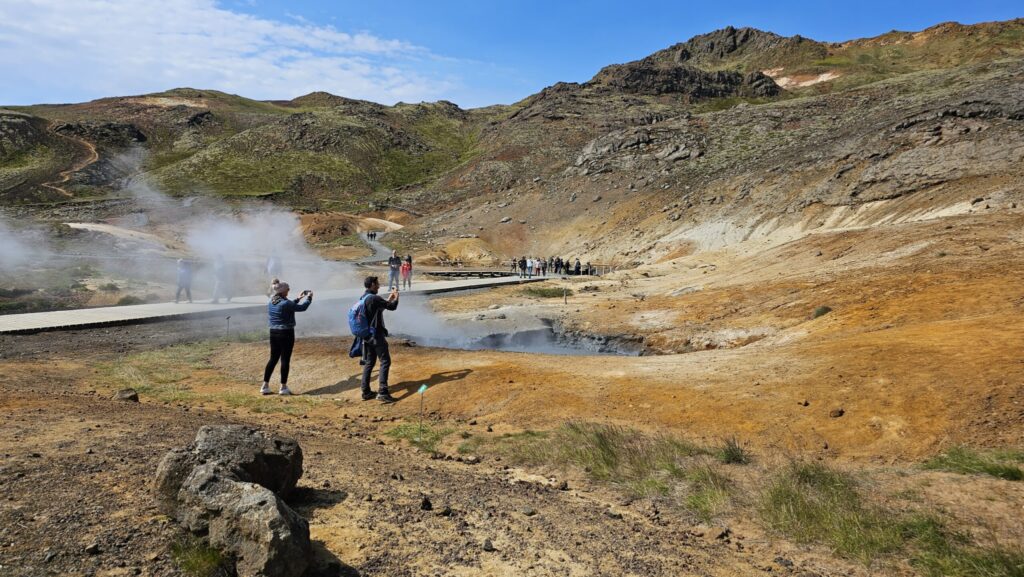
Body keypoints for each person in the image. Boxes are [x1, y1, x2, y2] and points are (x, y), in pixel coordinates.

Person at [261, 280, 313, 396]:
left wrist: (298, 298)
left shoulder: (272, 301)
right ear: (283, 291)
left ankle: (265, 385)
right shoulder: (286, 303)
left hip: (273, 332)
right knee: (285, 360)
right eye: (288, 289)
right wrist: (309, 298)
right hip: (286, 333)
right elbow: (302, 308)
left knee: (273, 359)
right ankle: (283, 387)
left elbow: (288, 306)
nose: (289, 290)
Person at [360, 276, 399, 403]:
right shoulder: (374, 298)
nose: (379, 286)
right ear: (371, 284)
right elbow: (392, 307)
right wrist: (396, 297)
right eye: (377, 284)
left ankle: (365, 392)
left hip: (367, 336)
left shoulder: (363, 298)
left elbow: (378, 310)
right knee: (385, 361)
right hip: (376, 335)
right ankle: (383, 392)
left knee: (369, 362)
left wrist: (389, 299)